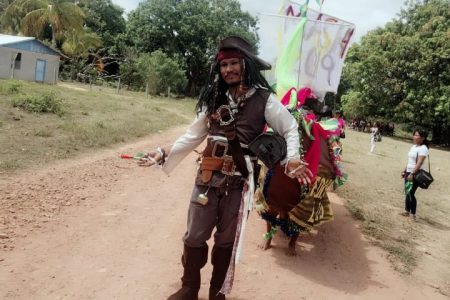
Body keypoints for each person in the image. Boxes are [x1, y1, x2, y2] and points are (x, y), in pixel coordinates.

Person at [138, 36, 312, 300]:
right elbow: (193, 135)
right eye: (223, 65)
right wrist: (163, 152)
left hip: (238, 182)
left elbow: (289, 128)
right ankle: (189, 288)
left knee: (225, 241)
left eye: (234, 63)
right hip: (207, 176)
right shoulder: (214, 98)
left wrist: (294, 158)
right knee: (194, 236)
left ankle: (217, 292)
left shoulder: (265, 100)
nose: (228, 69)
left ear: (246, 66)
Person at [400, 129, 429, 219]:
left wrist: (412, 173)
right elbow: (410, 161)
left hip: (415, 173)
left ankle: (413, 214)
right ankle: (406, 211)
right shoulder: (414, 147)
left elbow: (419, 163)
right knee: (407, 192)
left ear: (422, 138)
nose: (414, 137)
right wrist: (405, 170)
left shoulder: (423, 148)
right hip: (409, 171)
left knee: (411, 192)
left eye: (417, 135)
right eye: (414, 135)